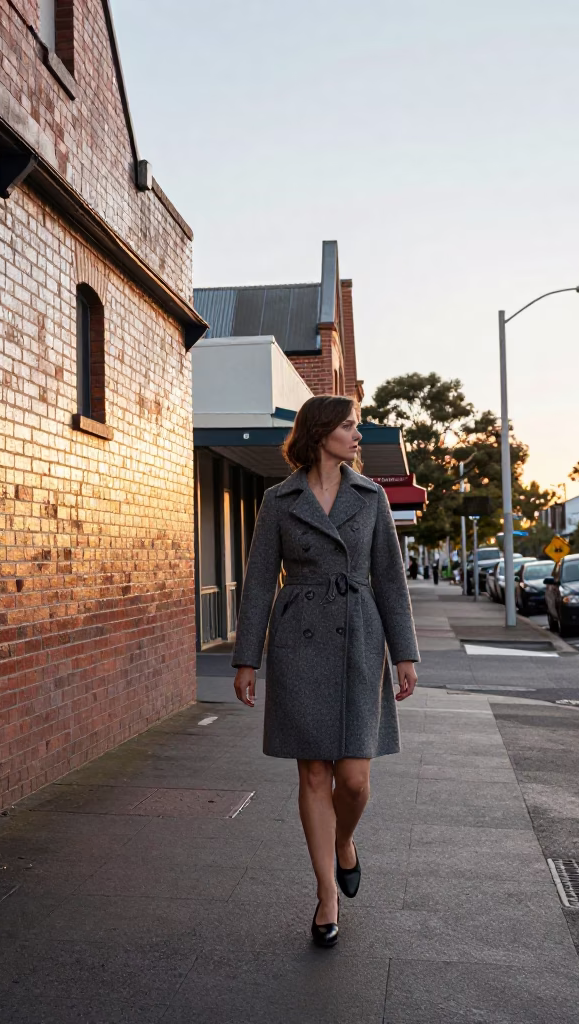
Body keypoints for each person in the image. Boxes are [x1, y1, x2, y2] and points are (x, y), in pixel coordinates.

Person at [232, 395, 420, 949]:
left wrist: (404, 653)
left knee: (355, 780)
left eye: (356, 427)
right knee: (314, 774)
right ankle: (325, 895)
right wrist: (247, 658)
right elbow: (260, 580)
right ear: (321, 434)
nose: (357, 436)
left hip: (360, 638)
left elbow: (389, 577)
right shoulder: (278, 500)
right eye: (348, 426)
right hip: (300, 641)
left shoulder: (372, 497)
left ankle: (344, 843)